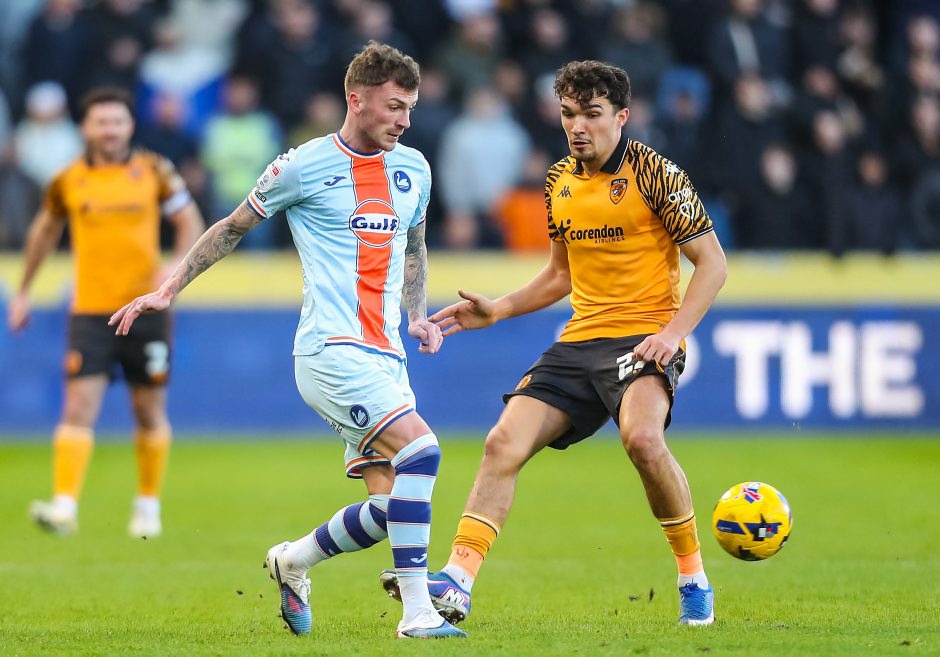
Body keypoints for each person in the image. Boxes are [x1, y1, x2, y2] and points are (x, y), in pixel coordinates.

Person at [109, 42, 466, 640]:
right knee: (422, 453)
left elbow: (414, 245)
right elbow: (232, 227)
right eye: (395, 107)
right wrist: (168, 290)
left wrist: (417, 315)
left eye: (411, 108)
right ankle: (417, 615)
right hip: (330, 350)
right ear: (357, 99)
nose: (405, 120)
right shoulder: (302, 165)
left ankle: (292, 560)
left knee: (389, 508)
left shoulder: (415, 168)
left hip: (387, 355)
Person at [381, 60, 727, 626]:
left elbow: (712, 264)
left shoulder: (658, 175)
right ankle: (458, 581)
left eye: (591, 114)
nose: (577, 127)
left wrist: (671, 335)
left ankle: (693, 577)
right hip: (579, 340)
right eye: (568, 114)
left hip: (643, 338)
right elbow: (560, 275)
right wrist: (498, 309)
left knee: (642, 440)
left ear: (621, 116)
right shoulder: (558, 180)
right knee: (501, 444)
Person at [8, 87, 204, 538]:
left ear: (130, 125)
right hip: (91, 311)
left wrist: (174, 271)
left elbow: (189, 221)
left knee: (148, 409)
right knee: (78, 405)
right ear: (86, 127)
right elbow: (44, 232)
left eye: (117, 121)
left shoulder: (154, 170)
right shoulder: (69, 179)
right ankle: (64, 506)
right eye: (101, 122)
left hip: (145, 309)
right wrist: (23, 292)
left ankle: (148, 505)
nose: (110, 130)